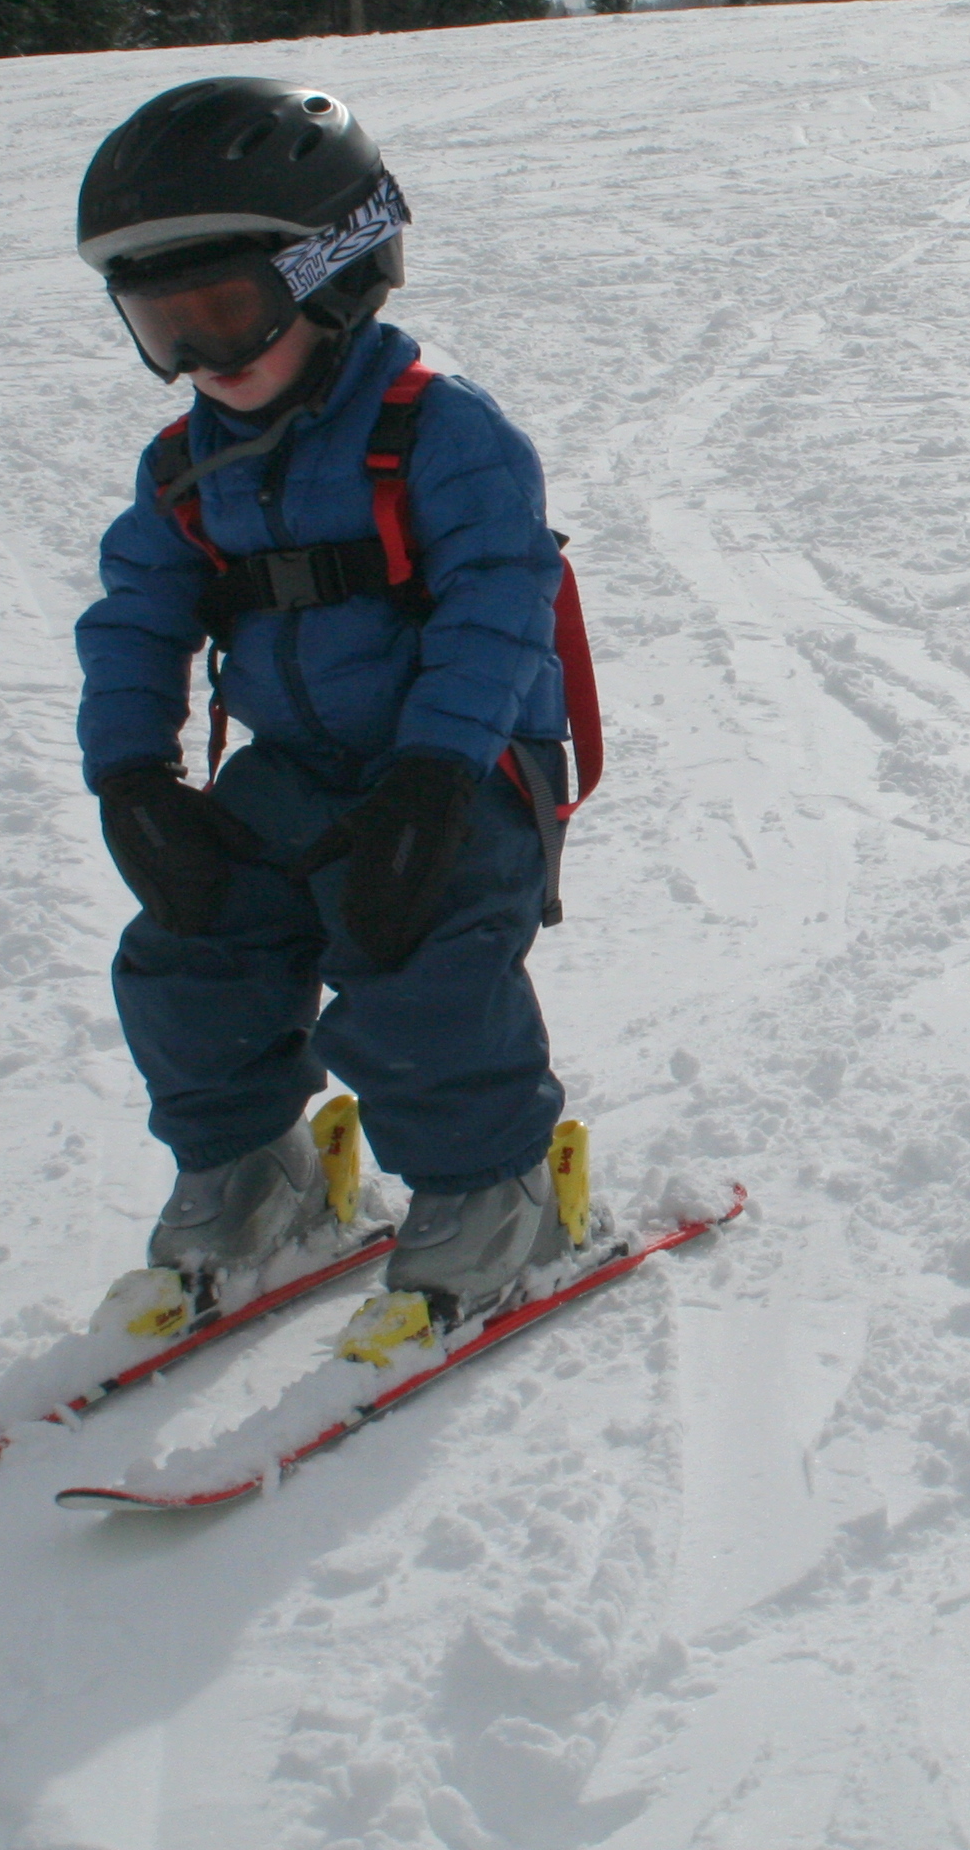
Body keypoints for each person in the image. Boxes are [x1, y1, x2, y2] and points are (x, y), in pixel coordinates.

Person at [72, 76, 578, 1320]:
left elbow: (498, 607)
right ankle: (253, 1174)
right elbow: (136, 616)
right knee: (190, 946)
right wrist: (131, 777)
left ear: (335, 276)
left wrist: (434, 780)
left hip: (463, 771)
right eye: (164, 327)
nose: (202, 359)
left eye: (227, 313)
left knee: (413, 957)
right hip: (296, 768)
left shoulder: (445, 435)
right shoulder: (185, 469)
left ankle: (497, 1194)